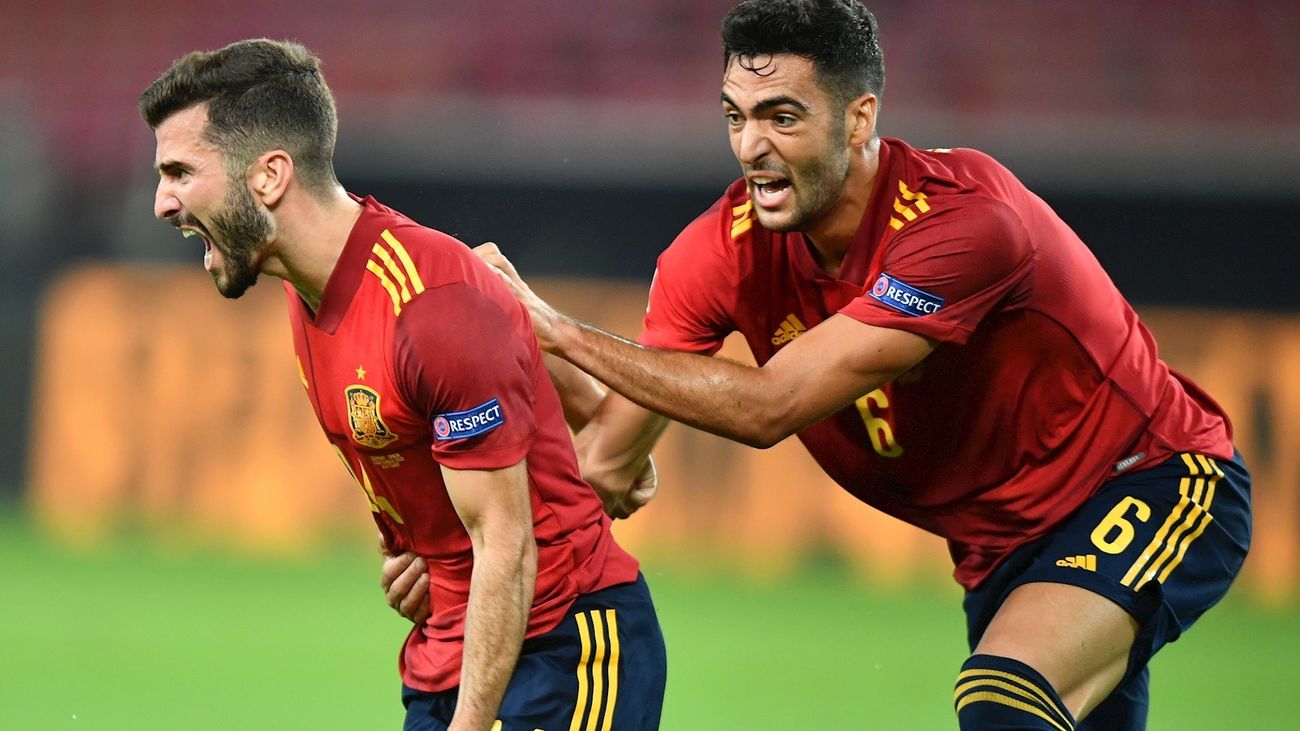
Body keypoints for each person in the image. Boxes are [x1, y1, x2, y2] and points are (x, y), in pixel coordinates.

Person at [459, 1, 1253, 729]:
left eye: (782, 116)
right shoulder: (716, 252)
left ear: (857, 118)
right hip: (999, 552)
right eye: (735, 117)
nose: (751, 147)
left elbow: (771, 406)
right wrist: (457, 546)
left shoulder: (965, 224)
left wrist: (554, 331)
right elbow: (605, 458)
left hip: (1151, 475)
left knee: (1003, 693)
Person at [140, 39, 666, 731]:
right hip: (445, 657)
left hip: (564, 647)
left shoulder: (431, 304)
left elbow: (506, 545)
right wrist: (426, 552)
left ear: (269, 176)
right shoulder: (309, 299)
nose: (161, 203)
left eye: (180, 171)